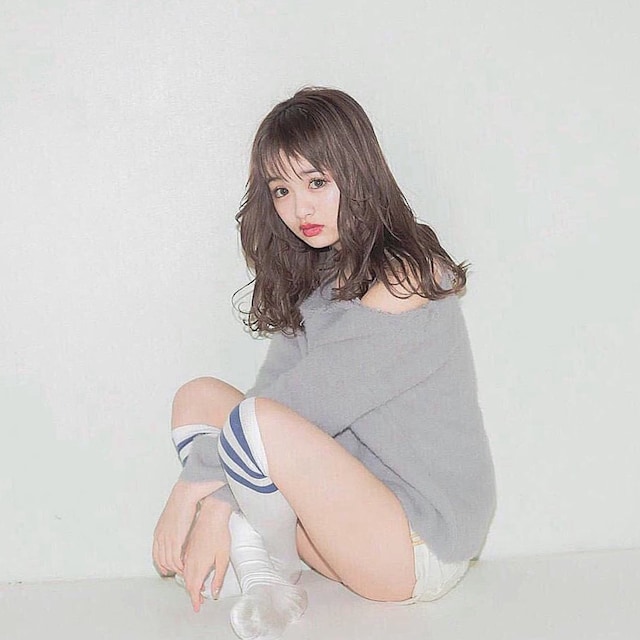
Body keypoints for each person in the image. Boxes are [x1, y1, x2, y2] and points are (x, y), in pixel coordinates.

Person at [152, 87, 496, 640]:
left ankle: (253, 556)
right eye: (281, 190)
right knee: (200, 398)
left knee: (257, 422)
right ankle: (264, 571)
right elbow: (272, 394)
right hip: (341, 530)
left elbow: (294, 411)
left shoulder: (408, 279)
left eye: (316, 182)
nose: (300, 209)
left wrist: (200, 496)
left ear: (357, 172)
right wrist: (219, 485)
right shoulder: (324, 281)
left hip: (418, 548)